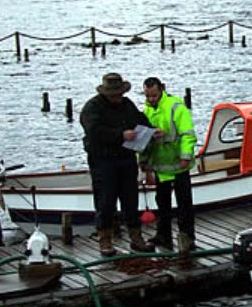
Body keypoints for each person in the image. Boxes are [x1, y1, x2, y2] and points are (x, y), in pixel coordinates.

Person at [80, 73, 154, 256]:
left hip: (126, 158)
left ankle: (136, 239)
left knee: (131, 199)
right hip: (103, 160)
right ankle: (105, 239)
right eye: (114, 95)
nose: (118, 98)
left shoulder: (127, 104)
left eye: (120, 94)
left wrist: (152, 130)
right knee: (105, 201)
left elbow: (139, 119)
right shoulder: (92, 108)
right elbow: (94, 131)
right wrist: (120, 135)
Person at [140, 77, 197, 257]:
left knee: (184, 203)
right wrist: (144, 163)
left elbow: (187, 133)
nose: (151, 99)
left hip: (179, 163)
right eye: (148, 96)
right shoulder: (146, 111)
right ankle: (163, 235)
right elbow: (142, 140)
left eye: (154, 95)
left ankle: (187, 237)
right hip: (160, 166)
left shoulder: (176, 107)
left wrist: (186, 156)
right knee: (162, 202)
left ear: (162, 90)